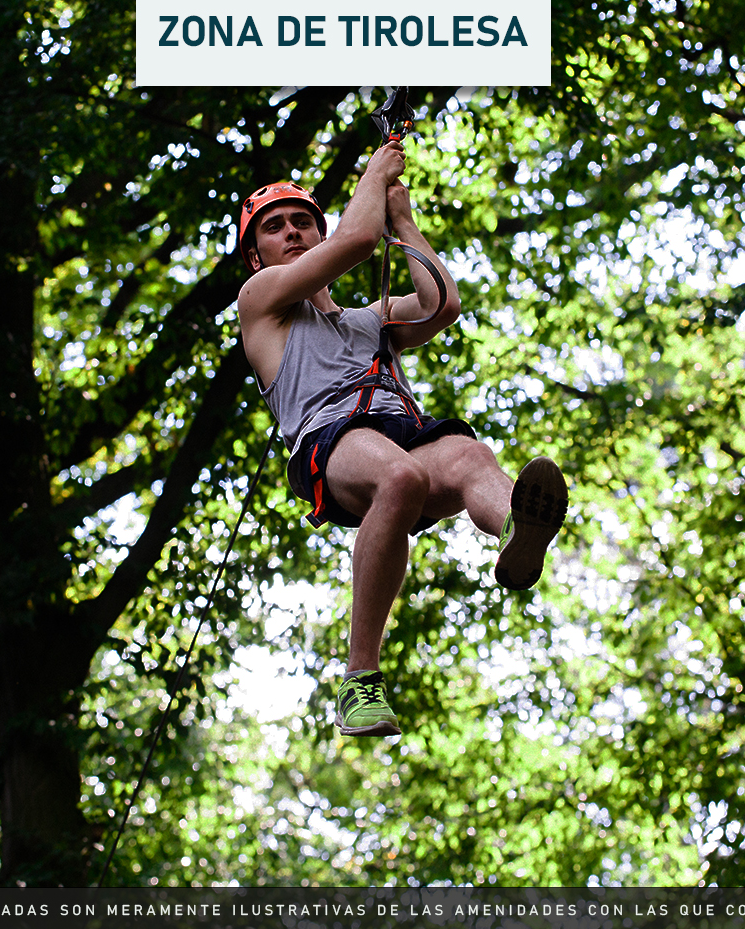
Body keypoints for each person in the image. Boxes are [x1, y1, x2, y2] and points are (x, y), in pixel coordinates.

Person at [236, 141, 568, 737]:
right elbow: (357, 242)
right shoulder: (260, 303)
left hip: (402, 430)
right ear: (256, 257)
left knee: (471, 455)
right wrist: (376, 168)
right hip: (330, 437)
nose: (292, 233)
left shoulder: (370, 320)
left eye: (303, 222)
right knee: (401, 476)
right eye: (274, 227)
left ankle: (517, 532)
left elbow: (442, 302)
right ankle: (360, 680)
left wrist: (404, 219)